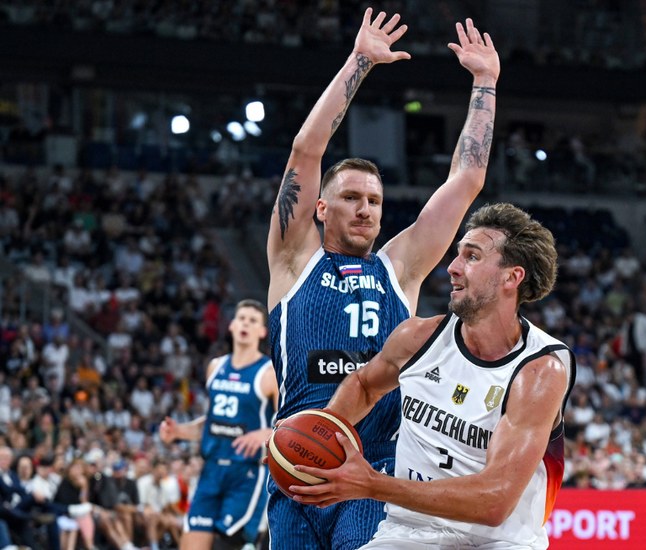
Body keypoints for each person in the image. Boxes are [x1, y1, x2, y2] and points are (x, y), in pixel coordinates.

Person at [266, 10, 499, 550]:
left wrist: (485, 83)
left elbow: (466, 179)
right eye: (350, 197)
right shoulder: (293, 259)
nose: (365, 208)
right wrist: (359, 61)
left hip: (375, 473)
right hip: (298, 466)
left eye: (374, 200)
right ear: (320, 208)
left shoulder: (401, 267)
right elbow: (306, 151)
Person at [289, 204, 575, 549]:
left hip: (498, 541)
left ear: (511, 278)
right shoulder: (418, 338)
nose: (452, 267)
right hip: (409, 531)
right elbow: (363, 384)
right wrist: (316, 434)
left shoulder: (539, 371)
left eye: (472, 257)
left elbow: (495, 500)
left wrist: (372, 484)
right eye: (458, 254)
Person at [159, 300, 278, 550]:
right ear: (232, 325)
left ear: (262, 332)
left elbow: (290, 423)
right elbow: (212, 422)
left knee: (227, 545)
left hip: (246, 472)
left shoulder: (270, 373)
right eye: (241, 318)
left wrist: (267, 433)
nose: (245, 324)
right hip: (211, 470)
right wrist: (179, 431)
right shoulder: (215, 367)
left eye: (253, 321)